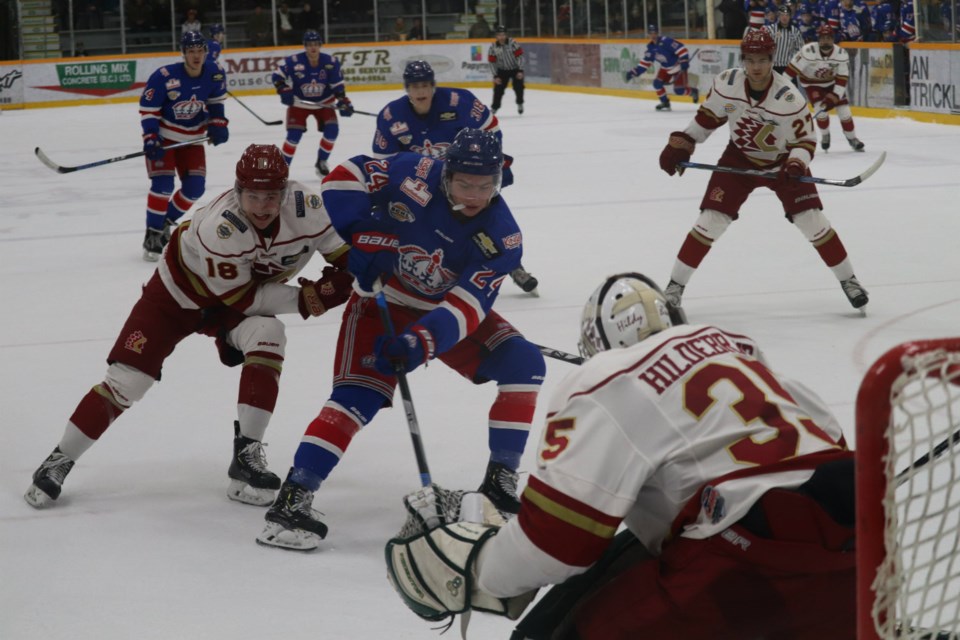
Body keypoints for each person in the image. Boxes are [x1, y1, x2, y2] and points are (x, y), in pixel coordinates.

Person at [386, 272, 857, 640]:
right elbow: (829, 439)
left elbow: (558, 543)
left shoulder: (608, 377)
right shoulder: (741, 353)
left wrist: (482, 569)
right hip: (865, 545)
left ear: (595, 344)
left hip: (753, 557)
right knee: (625, 555)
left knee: (566, 630)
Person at [256, 129, 547, 551]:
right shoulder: (416, 172)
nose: (474, 195)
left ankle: (500, 481)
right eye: (465, 183)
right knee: (359, 396)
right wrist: (365, 232)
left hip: (441, 311)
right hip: (380, 301)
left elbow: (466, 309)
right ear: (447, 174)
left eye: (485, 186)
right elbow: (342, 177)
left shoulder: (503, 237)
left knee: (525, 365)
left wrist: (420, 343)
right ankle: (294, 497)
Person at [24, 144, 355, 510]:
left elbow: (347, 255)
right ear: (237, 192)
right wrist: (310, 299)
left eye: (272, 196)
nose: (263, 206)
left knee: (269, 335)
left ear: (285, 190)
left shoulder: (306, 208)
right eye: (254, 196)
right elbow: (243, 300)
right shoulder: (221, 228)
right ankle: (60, 459)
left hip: (236, 297)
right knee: (127, 380)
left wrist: (362, 268)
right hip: (176, 297)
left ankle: (245, 456)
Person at [658, 29, 869, 312]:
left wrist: (795, 163)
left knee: (812, 220)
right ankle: (674, 287)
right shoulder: (726, 83)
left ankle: (850, 281)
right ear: (743, 59)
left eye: (763, 60)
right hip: (738, 159)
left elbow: (805, 141)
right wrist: (684, 142)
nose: (756, 67)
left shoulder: (790, 99)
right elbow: (706, 119)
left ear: (772, 60)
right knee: (710, 220)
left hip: (782, 163)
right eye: (751, 60)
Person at [372, 60, 539, 295]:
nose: (421, 91)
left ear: (433, 86)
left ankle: (512, 266)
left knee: (484, 217)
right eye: (414, 86)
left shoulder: (459, 102)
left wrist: (493, 164)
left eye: (425, 85)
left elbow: (490, 128)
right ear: (407, 89)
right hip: (425, 184)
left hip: (464, 180)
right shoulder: (391, 116)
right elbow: (384, 163)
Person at [138, 31, 228, 262]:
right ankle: (153, 233)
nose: (196, 56)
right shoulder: (164, 76)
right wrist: (150, 137)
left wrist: (218, 124)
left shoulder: (215, 74)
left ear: (206, 52)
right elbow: (149, 110)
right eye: (191, 51)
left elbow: (216, 103)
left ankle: (164, 223)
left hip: (192, 140)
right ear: (184, 53)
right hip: (165, 138)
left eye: (200, 51)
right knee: (163, 186)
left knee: (195, 188)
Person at [271, 29, 353, 177]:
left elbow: (337, 85)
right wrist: (283, 89)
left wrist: (343, 100)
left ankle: (322, 161)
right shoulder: (293, 61)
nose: (313, 47)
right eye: (309, 44)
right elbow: (277, 76)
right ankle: (281, 168)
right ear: (305, 46)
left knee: (332, 131)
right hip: (299, 104)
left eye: (315, 44)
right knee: (293, 136)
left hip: (324, 103)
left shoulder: (330, 62)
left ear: (320, 45)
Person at [787, 25, 865, 153]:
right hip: (812, 84)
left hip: (832, 84)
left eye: (828, 38)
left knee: (845, 112)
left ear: (833, 39)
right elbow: (790, 71)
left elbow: (842, 79)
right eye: (823, 38)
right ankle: (825, 135)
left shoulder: (841, 54)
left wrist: (834, 96)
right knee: (820, 110)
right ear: (818, 39)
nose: (825, 41)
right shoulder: (807, 51)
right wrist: (780, 88)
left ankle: (852, 139)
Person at [623, 24, 699, 112]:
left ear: (657, 33)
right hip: (665, 69)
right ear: (648, 34)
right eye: (651, 33)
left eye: (654, 33)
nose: (653, 35)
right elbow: (645, 64)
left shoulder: (666, 41)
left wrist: (684, 60)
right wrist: (634, 72)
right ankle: (665, 102)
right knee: (657, 84)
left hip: (678, 67)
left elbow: (682, 49)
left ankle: (693, 92)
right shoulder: (650, 48)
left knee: (679, 90)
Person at [488, 24, 525, 115]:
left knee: (519, 87)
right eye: (499, 35)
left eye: (503, 34)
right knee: (498, 90)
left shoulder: (513, 43)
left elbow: (520, 57)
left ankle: (520, 103)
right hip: (502, 71)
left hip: (515, 69)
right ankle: (494, 108)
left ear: (506, 35)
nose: (501, 37)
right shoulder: (493, 47)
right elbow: (492, 62)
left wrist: (520, 70)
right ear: (496, 36)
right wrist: (495, 76)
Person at [770, 5, 805, 74]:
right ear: (778, 16)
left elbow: (801, 50)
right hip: (772, 66)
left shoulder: (795, 31)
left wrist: (794, 63)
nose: (784, 17)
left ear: (790, 16)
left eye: (787, 15)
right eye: (782, 15)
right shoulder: (770, 29)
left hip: (788, 67)